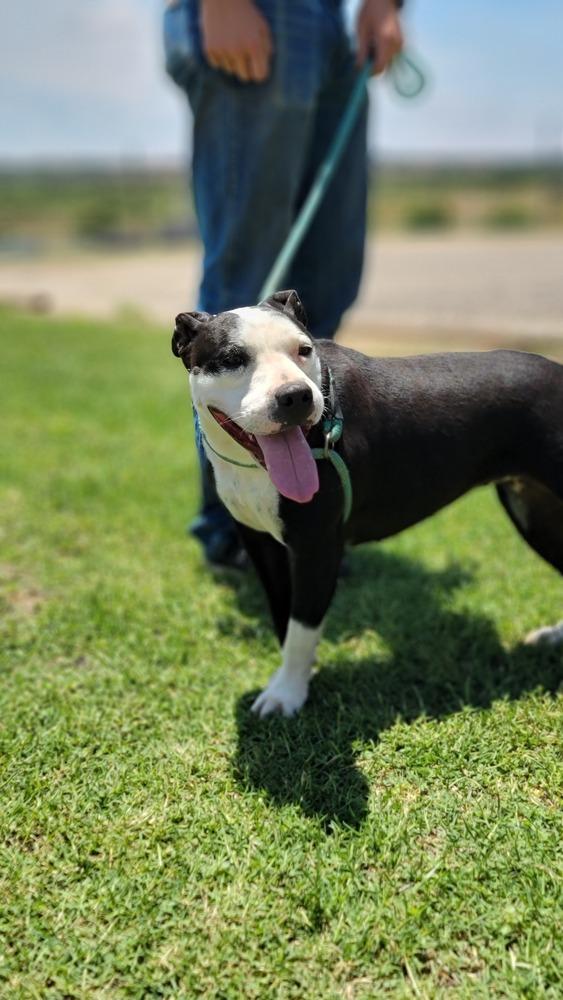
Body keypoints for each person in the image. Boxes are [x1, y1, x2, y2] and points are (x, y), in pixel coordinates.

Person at [164, 0, 404, 568]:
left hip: (333, 25)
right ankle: (238, 528)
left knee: (327, 280)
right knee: (242, 294)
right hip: (258, 11)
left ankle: (303, 509)